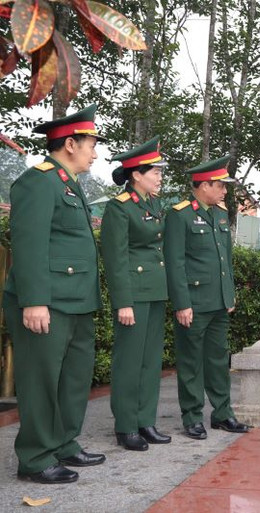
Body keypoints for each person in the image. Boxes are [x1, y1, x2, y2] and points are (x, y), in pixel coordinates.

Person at [3, 105, 106, 483]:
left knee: (74, 379)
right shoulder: (38, 181)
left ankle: (63, 443)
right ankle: (34, 458)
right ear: (68, 144)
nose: (94, 153)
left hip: (77, 301)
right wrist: (33, 301)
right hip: (47, 302)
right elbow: (29, 245)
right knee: (41, 381)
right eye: (90, 145)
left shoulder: (67, 184)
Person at [164, 155, 249, 439]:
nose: (224, 191)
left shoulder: (220, 215)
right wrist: (182, 303)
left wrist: (229, 295)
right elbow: (174, 262)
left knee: (217, 359)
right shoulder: (180, 214)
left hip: (218, 302)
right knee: (190, 362)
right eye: (220, 186)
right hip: (194, 302)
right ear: (203, 186)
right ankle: (192, 417)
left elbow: (225, 259)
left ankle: (223, 414)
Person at [101, 136, 172, 451]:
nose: (159, 176)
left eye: (159, 171)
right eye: (154, 171)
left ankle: (146, 421)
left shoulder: (154, 203)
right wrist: (123, 303)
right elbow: (116, 260)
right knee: (129, 361)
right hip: (134, 294)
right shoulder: (120, 208)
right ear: (136, 175)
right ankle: (126, 425)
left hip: (155, 291)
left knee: (150, 360)